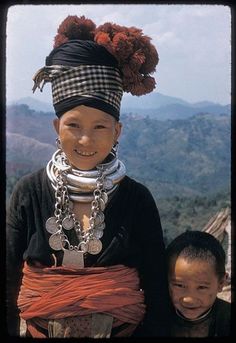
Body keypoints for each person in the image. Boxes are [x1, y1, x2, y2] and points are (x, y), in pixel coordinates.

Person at [6, 15, 170, 338]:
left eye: (100, 127)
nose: (85, 140)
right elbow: (8, 282)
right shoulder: (29, 193)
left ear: (117, 131)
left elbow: (157, 295)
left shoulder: (137, 200)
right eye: (73, 125)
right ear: (56, 127)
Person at [166, 230, 231, 337]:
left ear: (221, 283)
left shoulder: (227, 319)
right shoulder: (155, 317)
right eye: (179, 285)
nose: (189, 299)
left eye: (201, 287)